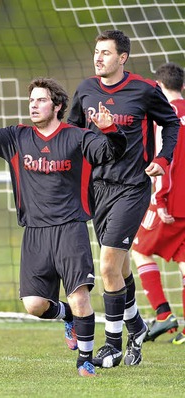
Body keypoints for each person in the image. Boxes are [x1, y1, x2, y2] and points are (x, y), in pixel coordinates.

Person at [0, 77, 127, 377]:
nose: (34, 105)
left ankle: (84, 360)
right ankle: (68, 318)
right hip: (35, 232)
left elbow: (113, 151)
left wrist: (110, 129)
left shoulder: (76, 137)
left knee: (80, 297)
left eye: (41, 100)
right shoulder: (17, 136)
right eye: (32, 100)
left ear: (58, 105)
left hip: (70, 229)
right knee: (35, 305)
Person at [67, 29, 180, 368]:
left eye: (105, 52)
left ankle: (113, 344)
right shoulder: (85, 90)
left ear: (122, 58)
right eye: (96, 52)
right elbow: (71, 132)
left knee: (107, 267)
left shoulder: (145, 90)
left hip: (133, 188)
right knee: (119, 266)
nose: (98, 57)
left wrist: (163, 159)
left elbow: (172, 123)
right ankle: (137, 325)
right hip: (98, 190)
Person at [131, 62, 185, 345]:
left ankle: (163, 315)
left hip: (171, 202)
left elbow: (166, 160)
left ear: (159, 89)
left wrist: (160, 200)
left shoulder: (163, 117)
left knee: (139, 249)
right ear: (183, 87)